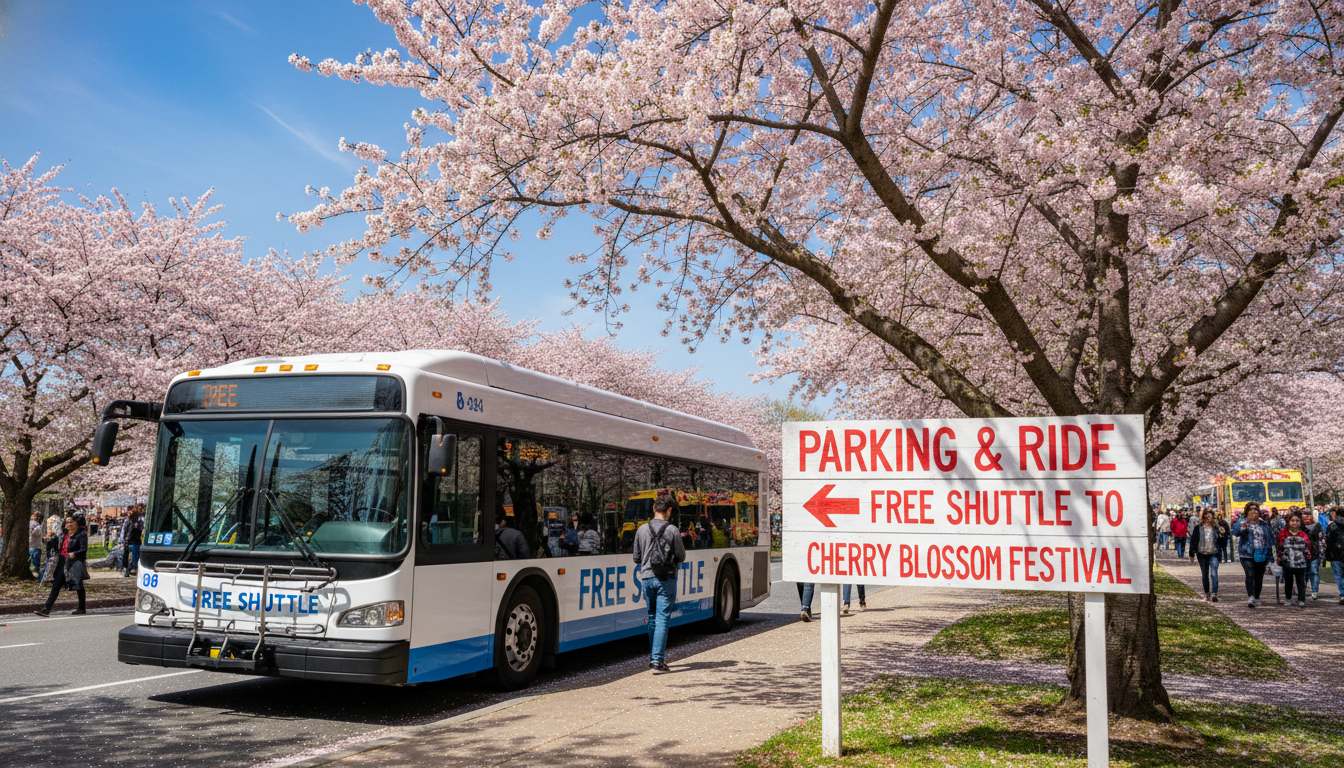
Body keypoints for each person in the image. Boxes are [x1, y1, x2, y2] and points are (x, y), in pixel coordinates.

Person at [633, 498, 685, 672]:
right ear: (669, 510)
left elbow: (636, 558)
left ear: (654, 508)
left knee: (652, 616)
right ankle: (657, 661)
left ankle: (653, 656)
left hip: (647, 578)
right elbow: (681, 556)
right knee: (663, 617)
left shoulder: (641, 529)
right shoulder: (672, 530)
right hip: (666, 579)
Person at [34, 515, 89, 617]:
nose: (68, 524)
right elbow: (55, 545)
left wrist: (74, 553)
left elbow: (84, 549)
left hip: (74, 563)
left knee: (78, 585)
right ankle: (46, 609)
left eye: (70, 522)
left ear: (76, 524)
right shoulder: (63, 535)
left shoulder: (81, 535)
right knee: (56, 584)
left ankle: (81, 608)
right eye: (67, 522)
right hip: (62, 561)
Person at [1233, 502, 1274, 608]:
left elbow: (1270, 538)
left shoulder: (1264, 524)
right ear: (1247, 512)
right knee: (1250, 574)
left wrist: (1270, 553)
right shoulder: (1242, 522)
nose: (1254, 511)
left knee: (1259, 577)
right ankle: (1251, 596)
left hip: (1261, 553)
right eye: (1251, 509)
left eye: (1256, 509)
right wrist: (1243, 528)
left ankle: (1257, 596)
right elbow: (1235, 532)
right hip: (1247, 554)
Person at [1277, 513, 1313, 608]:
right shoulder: (1283, 534)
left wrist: (1307, 558)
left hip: (1300, 563)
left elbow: (1307, 549)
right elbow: (1279, 548)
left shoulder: (1303, 535)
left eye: (1297, 521)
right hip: (1287, 563)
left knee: (1301, 582)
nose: (1295, 523)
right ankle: (1288, 598)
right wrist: (1279, 558)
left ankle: (1301, 599)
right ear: (1288, 522)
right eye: (1292, 521)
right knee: (1288, 582)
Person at [1189, 510, 1223, 602]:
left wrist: (1222, 534)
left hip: (1214, 553)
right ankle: (1207, 593)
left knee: (1214, 573)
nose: (1209, 518)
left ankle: (1214, 594)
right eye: (1207, 516)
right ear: (1203, 517)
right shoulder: (1198, 528)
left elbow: (1222, 540)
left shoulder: (1216, 528)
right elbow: (1193, 541)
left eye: (1210, 516)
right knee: (1205, 574)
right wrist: (1191, 554)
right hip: (1202, 554)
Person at [1302, 509, 1325, 601]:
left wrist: (1322, 552)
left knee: (1314, 571)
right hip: (1302, 554)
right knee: (1303, 573)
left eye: (1308, 516)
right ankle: (1302, 591)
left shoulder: (1317, 525)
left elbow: (1320, 539)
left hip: (1314, 553)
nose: (1306, 518)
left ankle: (1314, 591)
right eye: (1304, 516)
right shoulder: (1300, 526)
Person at [1325, 509, 1344, 606]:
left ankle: (1342, 593)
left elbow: (1328, 540)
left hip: (1335, 554)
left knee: (1338, 575)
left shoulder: (1332, 526)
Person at [121, 505, 144, 578]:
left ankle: (128, 571)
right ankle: (131, 570)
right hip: (135, 542)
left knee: (130, 558)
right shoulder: (138, 521)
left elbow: (124, 531)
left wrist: (123, 541)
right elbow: (141, 530)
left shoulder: (128, 520)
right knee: (135, 559)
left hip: (128, 541)